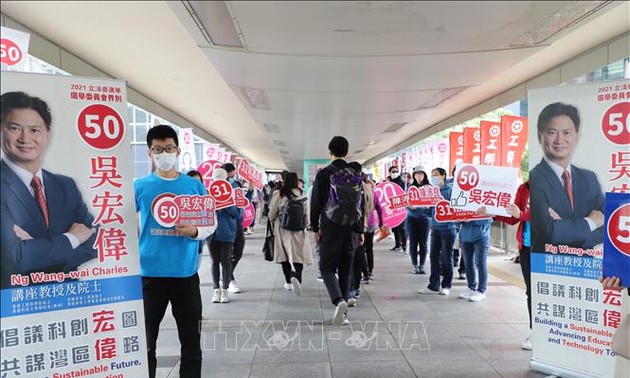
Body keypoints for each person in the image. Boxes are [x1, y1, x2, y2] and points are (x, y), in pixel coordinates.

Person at [134, 125, 216, 378]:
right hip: (149, 275)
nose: (164, 154)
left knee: (191, 342)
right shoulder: (139, 186)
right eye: (158, 149)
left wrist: (194, 231)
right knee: (146, 343)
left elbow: (210, 222)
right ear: (149, 153)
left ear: (178, 150)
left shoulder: (193, 185)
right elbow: (122, 224)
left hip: (185, 273)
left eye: (168, 148)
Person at [1, 91, 97, 289]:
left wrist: (36, 251)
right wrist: (72, 238)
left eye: (34, 130)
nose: (25, 138)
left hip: (67, 296)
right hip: (17, 303)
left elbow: (95, 242)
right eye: (15, 128)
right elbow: (15, 258)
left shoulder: (65, 186)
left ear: (48, 135)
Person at [530, 102, 605, 252]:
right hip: (548, 267)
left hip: (584, 268)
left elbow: (607, 227)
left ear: (577, 135)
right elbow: (550, 232)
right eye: (552, 132)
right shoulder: (534, 179)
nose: (559, 140)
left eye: (566, 132)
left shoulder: (589, 179)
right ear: (540, 136)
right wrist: (591, 222)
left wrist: (565, 230)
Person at [310, 136, 365, 326]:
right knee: (345, 269)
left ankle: (338, 300)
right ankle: (344, 315)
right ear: (347, 152)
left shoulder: (324, 174)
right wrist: (361, 231)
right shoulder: (356, 174)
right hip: (351, 228)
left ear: (330, 152)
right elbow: (362, 205)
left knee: (326, 267)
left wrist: (314, 227)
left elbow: (316, 202)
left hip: (330, 227)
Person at [481, 181, 532, 349]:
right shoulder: (524, 187)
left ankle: (550, 331)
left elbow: (553, 213)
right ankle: (535, 331)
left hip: (548, 248)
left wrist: (522, 214)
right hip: (526, 246)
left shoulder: (556, 184)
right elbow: (513, 217)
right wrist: (491, 212)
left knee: (546, 291)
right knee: (531, 291)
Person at [268, 172, 313, 296]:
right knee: (298, 256)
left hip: (283, 229)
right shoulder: (302, 195)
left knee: (285, 256)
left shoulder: (279, 194)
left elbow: (271, 214)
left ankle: (288, 282)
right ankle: (297, 279)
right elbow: (307, 217)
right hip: (299, 230)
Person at [419, 168, 457, 296]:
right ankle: (433, 285)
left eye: (435, 175)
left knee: (447, 258)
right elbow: (430, 213)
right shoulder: (432, 192)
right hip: (435, 229)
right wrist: (426, 209)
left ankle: (446, 285)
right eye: (432, 175)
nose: (433, 178)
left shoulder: (451, 191)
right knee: (433, 257)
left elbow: (456, 210)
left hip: (448, 229)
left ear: (443, 176)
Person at [208, 168, 240, 304]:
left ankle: (225, 289)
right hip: (211, 233)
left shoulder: (232, 193)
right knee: (214, 262)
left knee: (225, 262)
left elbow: (237, 214)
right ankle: (216, 289)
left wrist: (226, 204)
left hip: (227, 233)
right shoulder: (208, 193)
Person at [221, 162, 245, 294]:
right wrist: (234, 211)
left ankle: (226, 276)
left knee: (238, 252)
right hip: (226, 225)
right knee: (226, 255)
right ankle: (228, 279)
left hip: (238, 223)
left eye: (233, 175)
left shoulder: (237, 184)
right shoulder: (218, 187)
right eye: (230, 176)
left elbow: (241, 202)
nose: (232, 178)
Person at [458, 216, 493, 302]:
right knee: (468, 263)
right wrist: (458, 219)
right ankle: (471, 287)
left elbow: (488, 219)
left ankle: (481, 290)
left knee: (480, 263)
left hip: (481, 236)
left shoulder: (484, 203)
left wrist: (472, 219)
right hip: (465, 236)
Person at [405, 166, 431, 274]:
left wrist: (422, 207)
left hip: (424, 219)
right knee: (413, 243)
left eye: (421, 174)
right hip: (412, 218)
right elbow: (405, 202)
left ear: (425, 175)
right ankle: (414, 265)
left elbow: (431, 204)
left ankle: (422, 265)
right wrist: (409, 206)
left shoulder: (429, 188)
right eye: (416, 174)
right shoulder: (410, 188)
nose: (418, 176)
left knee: (423, 243)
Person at [387, 165, 407, 252]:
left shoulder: (401, 181)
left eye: (396, 171)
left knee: (402, 227)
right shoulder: (388, 182)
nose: (395, 173)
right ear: (390, 173)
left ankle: (404, 245)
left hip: (400, 207)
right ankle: (397, 244)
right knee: (395, 226)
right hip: (391, 207)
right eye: (393, 171)